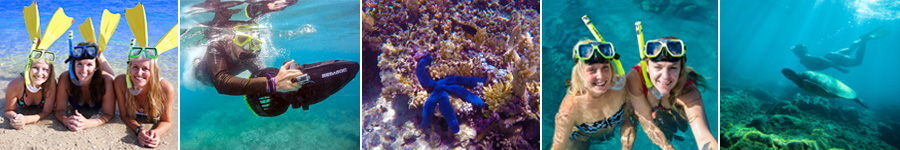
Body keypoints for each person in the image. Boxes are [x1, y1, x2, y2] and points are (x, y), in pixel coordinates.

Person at [191, 0, 359, 117]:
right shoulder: (218, 45)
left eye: (253, 44)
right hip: (205, 76)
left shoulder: (249, 56)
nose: (246, 49)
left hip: (223, 74)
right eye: (242, 40)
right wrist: (272, 84)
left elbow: (263, 74)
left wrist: (285, 78)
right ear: (231, 37)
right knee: (199, 68)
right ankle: (196, 61)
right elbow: (220, 82)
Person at [625, 37, 717, 150]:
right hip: (645, 107)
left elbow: (703, 137)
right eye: (658, 67)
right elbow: (645, 119)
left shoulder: (687, 91)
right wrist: (667, 147)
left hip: (672, 107)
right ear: (646, 67)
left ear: (681, 69)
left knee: (680, 127)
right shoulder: (635, 78)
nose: (665, 76)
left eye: (673, 68)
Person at [552, 40, 635, 149]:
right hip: (582, 137)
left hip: (614, 131)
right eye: (592, 70)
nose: (601, 76)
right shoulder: (570, 108)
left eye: (605, 68)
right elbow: (558, 146)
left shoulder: (621, 87)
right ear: (580, 73)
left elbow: (627, 118)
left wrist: (626, 147)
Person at [114, 48, 176, 148]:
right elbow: (124, 115)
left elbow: (166, 121)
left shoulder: (165, 88)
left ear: (153, 71)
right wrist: (139, 129)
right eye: (135, 67)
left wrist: (155, 133)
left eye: (145, 69)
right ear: (129, 68)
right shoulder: (120, 82)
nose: (139, 73)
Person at [54, 42, 116, 132]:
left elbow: (108, 114)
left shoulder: (107, 81)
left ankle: (100, 55)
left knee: (113, 78)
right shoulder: (65, 78)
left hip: (101, 76)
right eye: (79, 64)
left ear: (96, 67)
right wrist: (65, 120)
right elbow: (59, 110)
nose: (84, 70)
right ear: (73, 65)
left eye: (89, 64)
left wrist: (88, 123)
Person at [4, 49, 57, 130]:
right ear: (28, 68)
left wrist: (26, 119)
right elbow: (8, 110)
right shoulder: (15, 85)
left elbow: (46, 112)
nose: (39, 73)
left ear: (50, 72)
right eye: (35, 67)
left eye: (45, 69)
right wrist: (15, 118)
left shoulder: (51, 85)